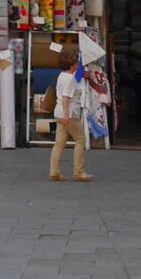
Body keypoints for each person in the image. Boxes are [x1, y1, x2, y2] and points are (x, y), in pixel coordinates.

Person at [48, 49, 94, 182]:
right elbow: (65, 97)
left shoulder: (61, 75)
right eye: (76, 62)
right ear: (72, 64)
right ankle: (78, 171)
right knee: (80, 140)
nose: (78, 64)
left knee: (59, 143)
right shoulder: (70, 79)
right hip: (68, 113)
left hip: (58, 112)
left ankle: (54, 172)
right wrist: (67, 114)